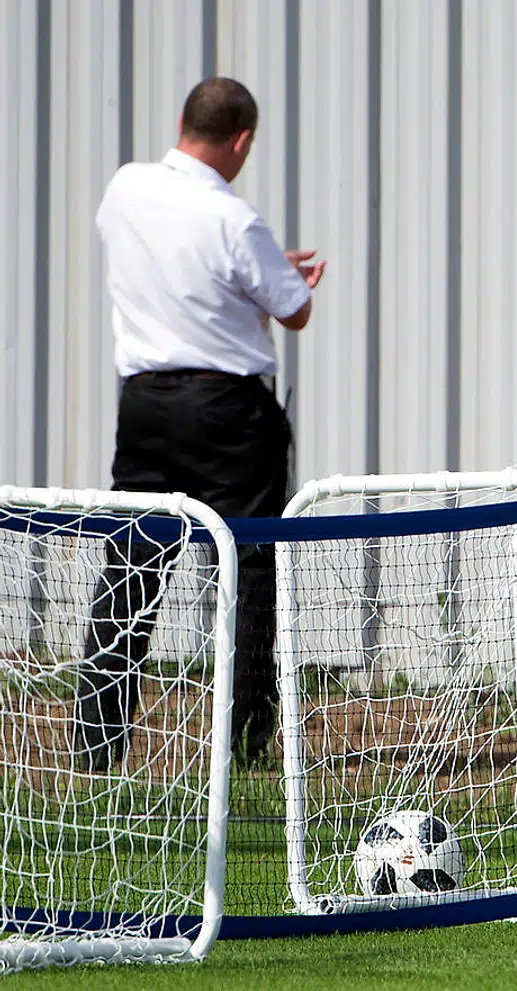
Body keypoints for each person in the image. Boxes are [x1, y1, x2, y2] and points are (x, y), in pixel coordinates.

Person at [78, 77, 325, 770]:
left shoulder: (126, 189)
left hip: (146, 405)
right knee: (249, 565)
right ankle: (243, 743)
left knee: (131, 565)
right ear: (241, 140)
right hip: (228, 412)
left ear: (184, 122)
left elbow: (181, 273)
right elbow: (295, 310)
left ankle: (97, 744)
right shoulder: (235, 219)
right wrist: (279, 275)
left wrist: (259, 273)